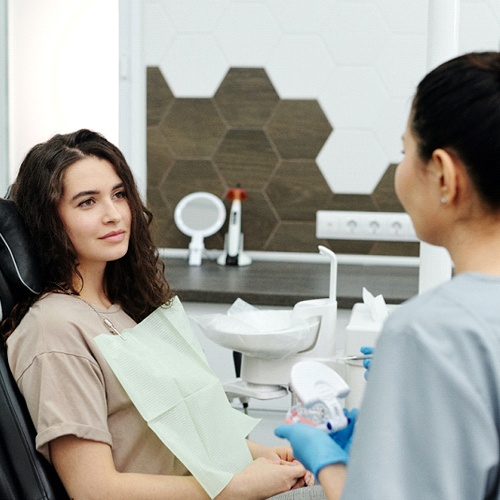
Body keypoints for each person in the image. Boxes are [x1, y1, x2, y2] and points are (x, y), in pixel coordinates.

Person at [1, 129, 322, 499]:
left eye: (119, 195)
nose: (114, 215)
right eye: (87, 202)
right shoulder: (54, 329)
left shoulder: (126, 308)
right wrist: (233, 489)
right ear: (48, 220)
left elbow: (184, 433)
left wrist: (263, 456)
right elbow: (93, 489)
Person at [275, 51, 500, 500]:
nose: (400, 169)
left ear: (444, 176)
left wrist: (331, 462)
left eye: (404, 151)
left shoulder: (431, 333)